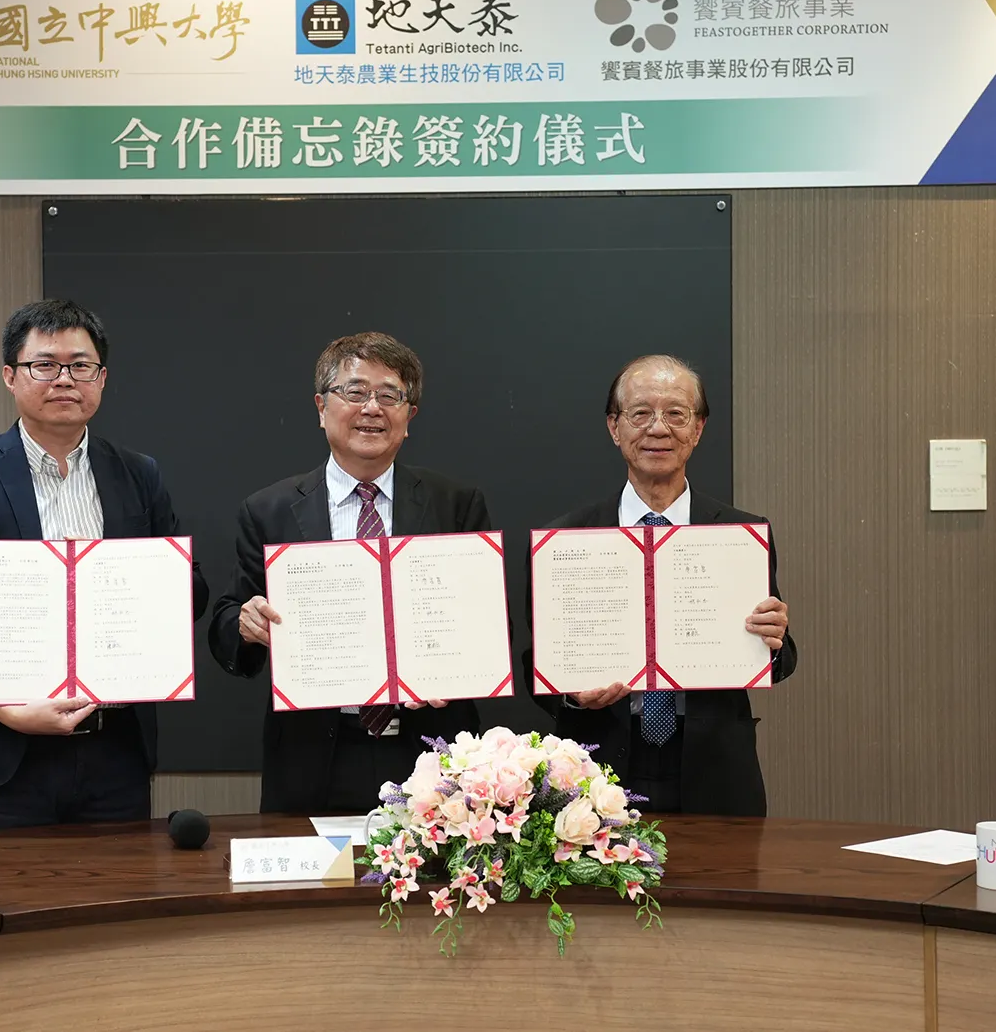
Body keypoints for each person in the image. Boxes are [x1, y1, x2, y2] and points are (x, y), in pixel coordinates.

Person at [0, 300, 208, 833]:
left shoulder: (139, 476)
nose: (65, 379)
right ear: (10, 376)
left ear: (102, 378)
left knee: (116, 888)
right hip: (2, 754)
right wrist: (7, 709)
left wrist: (144, 580)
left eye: (81, 365)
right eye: (44, 365)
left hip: (115, 754)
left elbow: (192, 593)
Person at [209, 332, 492, 814]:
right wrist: (245, 623)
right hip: (312, 754)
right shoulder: (269, 510)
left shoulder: (456, 505)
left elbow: (489, 625)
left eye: (389, 395)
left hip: (431, 754)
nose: (372, 408)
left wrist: (459, 669)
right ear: (321, 408)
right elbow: (225, 622)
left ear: (410, 416)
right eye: (355, 391)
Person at [527, 354, 795, 817]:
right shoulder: (565, 538)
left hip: (717, 770)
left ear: (699, 428)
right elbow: (535, 658)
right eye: (640, 413)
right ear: (614, 427)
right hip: (598, 768)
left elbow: (781, 658)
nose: (658, 428)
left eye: (676, 413)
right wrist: (570, 694)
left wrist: (773, 640)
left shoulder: (740, 535)